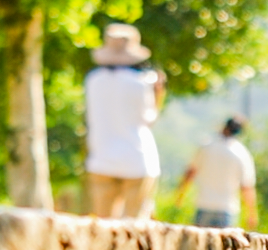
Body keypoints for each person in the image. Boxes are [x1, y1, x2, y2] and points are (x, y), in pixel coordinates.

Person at [83, 23, 165, 218]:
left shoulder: (93, 80)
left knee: (104, 226)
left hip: (101, 159)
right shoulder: (140, 83)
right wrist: (158, 95)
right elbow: (148, 118)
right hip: (136, 160)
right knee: (134, 225)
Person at [173, 116, 258, 230]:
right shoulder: (242, 153)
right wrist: (251, 212)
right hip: (227, 207)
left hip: (204, 203)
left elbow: (190, 172)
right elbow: (246, 186)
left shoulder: (206, 146)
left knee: (200, 245)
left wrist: (180, 194)